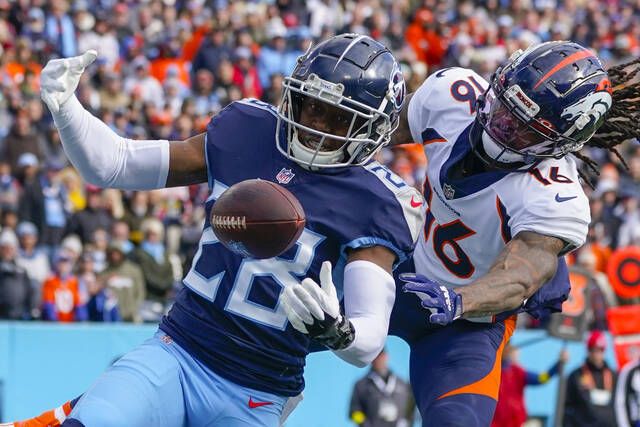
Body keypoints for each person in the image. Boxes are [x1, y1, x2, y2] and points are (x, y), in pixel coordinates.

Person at [28, 33, 420, 427]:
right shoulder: (249, 131)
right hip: (177, 352)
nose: (316, 124)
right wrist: (67, 110)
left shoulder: (377, 201)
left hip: (258, 391)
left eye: (338, 116)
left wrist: (338, 331)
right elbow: (114, 163)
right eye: (311, 104)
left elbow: (369, 338)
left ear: (373, 128)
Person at [384, 40, 639, 426]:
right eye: (504, 106)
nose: (501, 125)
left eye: (523, 129)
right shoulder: (454, 96)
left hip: (464, 325)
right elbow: (365, 135)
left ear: (561, 144)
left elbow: (520, 278)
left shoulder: (554, 194)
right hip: (393, 268)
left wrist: (458, 300)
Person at [492, 344, 568, 427]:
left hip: (516, 423)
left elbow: (542, 378)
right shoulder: (490, 371)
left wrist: (558, 364)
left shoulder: (518, 372)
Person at [349, 348, 415, 427]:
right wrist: (364, 424)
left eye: (381, 356)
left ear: (386, 356)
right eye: (375, 357)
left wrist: (407, 423)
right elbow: (354, 412)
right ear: (371, 360)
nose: (378, 360)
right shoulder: (361, 385)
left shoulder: (402, 384)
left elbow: (411, 409)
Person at [563, 330, 617, 427]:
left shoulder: (614, 375)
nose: (596, 354)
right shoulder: (576, 375)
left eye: (600, 350)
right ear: (588, 351)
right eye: (593, 350)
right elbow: (567, 406)